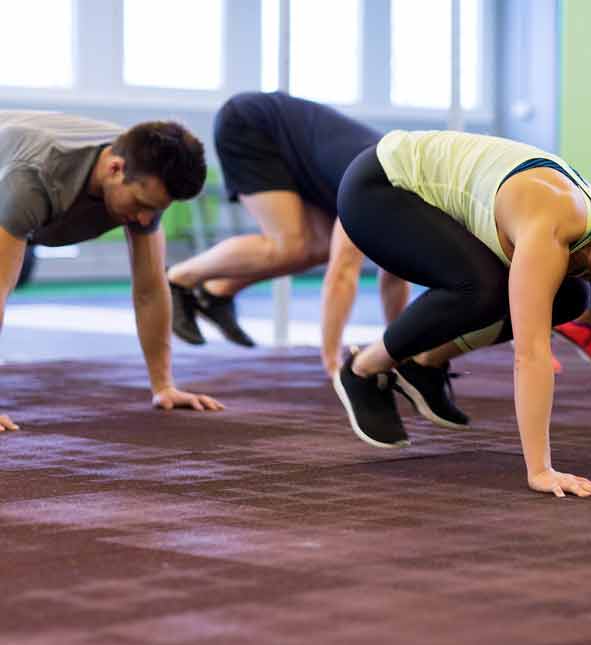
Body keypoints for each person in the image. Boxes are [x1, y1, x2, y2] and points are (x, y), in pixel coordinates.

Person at [333, 129, 591, 498]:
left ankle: (423, 365)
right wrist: (541, 470)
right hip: (379, 187)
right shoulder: (556, 225)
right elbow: (529, 353)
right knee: (482, 288)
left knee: (571, 299)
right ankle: (363, 369)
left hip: (423, 199)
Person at [0, 111, 223, 432]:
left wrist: (163, 386)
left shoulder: (145, 174)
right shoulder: (32, 179)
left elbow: (150, 289)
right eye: (141, 204)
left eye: (157, 210)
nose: (146, 220)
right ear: (114, 168)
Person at [166, 92, 409, 377]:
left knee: (318, 247)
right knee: (290, 246)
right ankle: (176, 279)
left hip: (299, 149)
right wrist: (332, 363)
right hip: (252, 124)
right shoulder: (377, 189)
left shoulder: (405, 197)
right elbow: (342, 275)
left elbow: (396, 273)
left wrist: (402, 355)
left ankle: (216, 293)